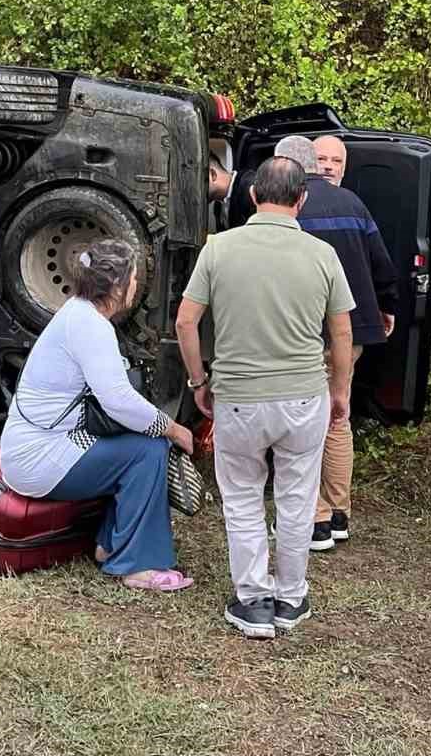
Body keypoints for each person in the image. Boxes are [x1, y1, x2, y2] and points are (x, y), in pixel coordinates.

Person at [175, 157, 355, 639]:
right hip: (303, 397)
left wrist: (198, 382)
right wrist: (339, 392)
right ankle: (291, 598)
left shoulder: (219, 249)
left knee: (242, 499)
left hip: (237, 397)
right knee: (297, 500)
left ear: (253, 195)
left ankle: (253, 599)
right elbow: (341, 331)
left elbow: (185, 322)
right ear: (302, 199)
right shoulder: (323, 255)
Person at [0, 238, 196, 592]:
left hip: (36, 448)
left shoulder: (77, 312)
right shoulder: (91, 326)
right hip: (40, 458)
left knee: (137, 443)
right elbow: (118, 400)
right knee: (148, 450)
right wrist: (173, 429)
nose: (137, 284)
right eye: (134, 277)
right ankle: (137, 565)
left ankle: (110, 544)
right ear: (118, 286)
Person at [272, 135, 397, 551]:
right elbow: (381, 263)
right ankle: (338, 512)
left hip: (307, 333)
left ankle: (316, 520)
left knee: (307, 423)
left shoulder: (292, 207)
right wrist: (387, 306)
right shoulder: (353, 204)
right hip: (354, 332)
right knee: (338, 417)